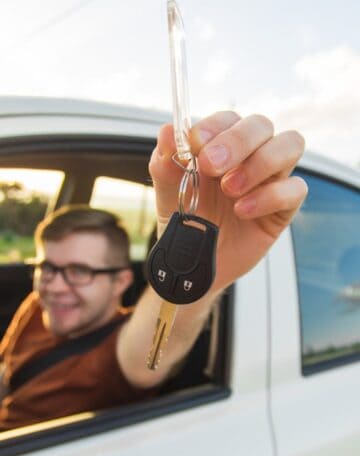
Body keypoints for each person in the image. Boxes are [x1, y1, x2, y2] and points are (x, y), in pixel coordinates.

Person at [0, 111, 308, 430]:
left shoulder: (114, 356)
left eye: (79, 272)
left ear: (121, 281)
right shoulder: (38, 305)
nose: (56, 287)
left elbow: (145, 358)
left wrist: (207, 267)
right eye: (48, 267)